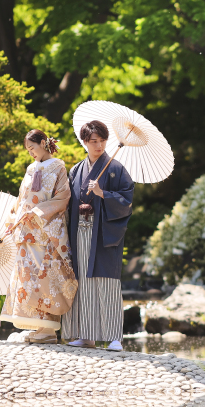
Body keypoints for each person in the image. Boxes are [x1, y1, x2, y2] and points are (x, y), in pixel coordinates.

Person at [0, 129, 78, 344]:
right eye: (28, 150)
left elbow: (63, 197)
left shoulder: (58, 167)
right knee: (27, 278)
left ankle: (49, 329)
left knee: (45, 278)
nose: (30, 153)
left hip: (45, 232)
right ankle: (37, 327)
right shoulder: (30, 169)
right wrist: (12, 219)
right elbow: (21, 199)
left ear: (43, 143)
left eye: (32, 148)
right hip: (26, 232)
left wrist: (37, 212)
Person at [63, 119, 134, 350]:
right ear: (84, 142)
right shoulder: (76, 170)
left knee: (107, 282)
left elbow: (127, 201)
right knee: (83, 281)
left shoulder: (116, 169)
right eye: (94, 141)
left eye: (103, 140)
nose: (99, 145)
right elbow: (68, 203)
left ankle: (114, 337)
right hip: (80, 232)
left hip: (103, 233)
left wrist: (102, 193)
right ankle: (86, 335)